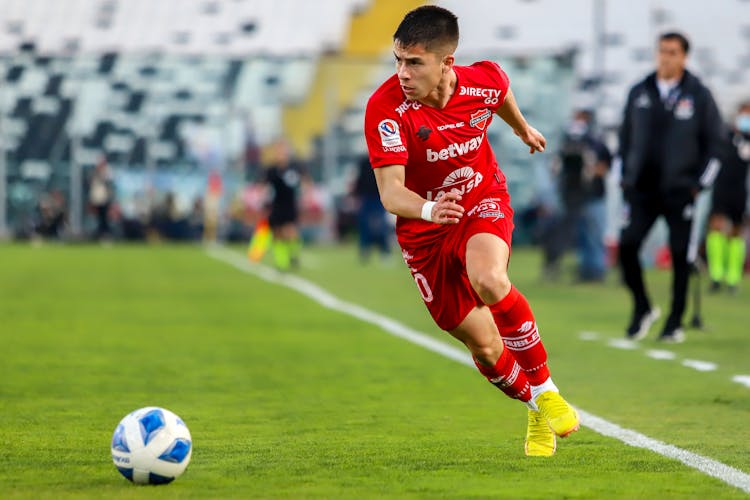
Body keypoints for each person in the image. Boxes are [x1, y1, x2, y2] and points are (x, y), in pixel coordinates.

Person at [364, 5, 579, 457]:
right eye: (398, 60)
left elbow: (499, 93)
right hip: (424, 231)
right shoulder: (386, 109)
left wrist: (522, 129)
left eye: (414, 62)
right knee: (484, 347)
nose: (402, 72)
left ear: (447, 63)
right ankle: (537, 405)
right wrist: (427, 209)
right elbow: (390, 193)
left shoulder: (483, 79)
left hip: (481, 198)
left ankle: (546, 388)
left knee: (489, 277)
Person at [617, 32, 723, 343]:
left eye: (673, 52)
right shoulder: (639, 92)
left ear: (684, 57)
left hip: (680, 191)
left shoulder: (699, 95)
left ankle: (675, 320)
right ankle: (643, 308)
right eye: (662, 51)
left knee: (680, 255)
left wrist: (698, 184)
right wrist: (624, 177)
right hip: (641, 190)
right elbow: (624, 140)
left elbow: (716, 146)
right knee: (627, 246)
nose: (666, 57)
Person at [542, 109, 612, 282]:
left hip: (593, 195)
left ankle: (596, 271)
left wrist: (587, 171)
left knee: (594, 234)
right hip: (572, 196)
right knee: (580, 234)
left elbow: (605, 165)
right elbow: (556, 168)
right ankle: (585, 271)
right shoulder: (566, 142)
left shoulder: (596, 142)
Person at [706, 101, 750, 294]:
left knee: (736, 233)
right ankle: (716, 275)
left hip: (740, 191)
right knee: (716, 228)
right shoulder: (724, 135)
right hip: (721, 188)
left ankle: (733, 277)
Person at [264, 140, 303, 271]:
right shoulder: (272, 170)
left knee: (290, 230)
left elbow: (298, 184)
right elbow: (266, 186)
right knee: (277, 233)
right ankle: (281, 261)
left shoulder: (293, 169)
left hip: (289, 204)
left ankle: (294, 254)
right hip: (277, 204)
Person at [353, 154, 391, 263]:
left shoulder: (382, 158)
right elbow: (360, 179)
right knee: (364, 225)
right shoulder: (364, 161)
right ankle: (365, 250)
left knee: (381, 226)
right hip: (367, 197)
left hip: (379, 197)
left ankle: (384, 251)